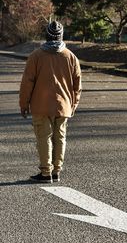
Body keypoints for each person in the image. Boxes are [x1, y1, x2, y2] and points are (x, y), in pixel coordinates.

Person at [19, 21, 82, 183]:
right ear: (62, 36)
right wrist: (73, 104)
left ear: (46, 35)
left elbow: (27, 82)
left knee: (44, 137)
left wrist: (24, 104)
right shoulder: (70, 56)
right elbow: (77, 85)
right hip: (64, 105)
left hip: (41, 105)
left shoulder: (36, 56)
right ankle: (57, 171)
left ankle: (46, 172)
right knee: (60, 137)